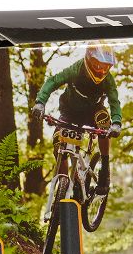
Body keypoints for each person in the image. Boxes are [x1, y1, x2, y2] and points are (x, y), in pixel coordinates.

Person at [31, 44, 122, 194]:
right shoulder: (76, 70)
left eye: (105, 67)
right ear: (89, 60)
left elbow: (114, 101)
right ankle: (64, 183)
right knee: (58, 141)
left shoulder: (108, 80)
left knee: (104, 119)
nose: (101, 70)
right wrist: (40, 103)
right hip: (70, 111)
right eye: (98, 65)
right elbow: (53, 81)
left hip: (93, 112)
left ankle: (105, 168)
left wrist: (117, 123)